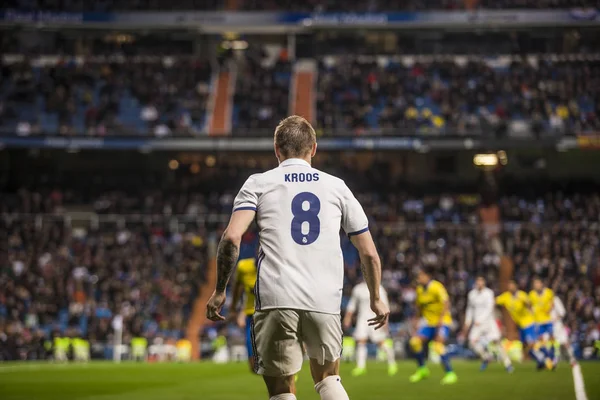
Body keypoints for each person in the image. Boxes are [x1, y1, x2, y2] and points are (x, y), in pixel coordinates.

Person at [206, 115, 389, 400]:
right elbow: (369, 252)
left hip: (276, 298)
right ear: (313, 148)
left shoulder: (258, 183)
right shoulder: (337, 186)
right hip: (324, 299)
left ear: (276, 149)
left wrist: (220, 290)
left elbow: (231, 237)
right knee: (328, 379)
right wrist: (376, 296)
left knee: (281, 389)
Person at [408, 266, 458, 385]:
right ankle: (422, 370)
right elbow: (419, 307)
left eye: (421, 276)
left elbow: (446, 302)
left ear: (427, 276)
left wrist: (441, 320)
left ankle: (450, 373)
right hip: (429, 323)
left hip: (443, 321)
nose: (419, 278)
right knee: (415, 342)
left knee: (437, 346)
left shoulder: (436, 286)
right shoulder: (419, 289)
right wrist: (416, 320)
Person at [343, 279, 397, 377]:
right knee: (360, 341)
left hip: (376, 318)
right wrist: (348, 318)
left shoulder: (379, 289)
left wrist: (385, 322)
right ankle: (361, 367)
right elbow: (352, 305)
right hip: (362, 319)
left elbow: (385, 306)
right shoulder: (358, 289)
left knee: (381, 343)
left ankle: (392, 364)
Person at [461, 276, 513, 373]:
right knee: (471, 343)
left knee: (497, 342)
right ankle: (486, 357)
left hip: (489, 322)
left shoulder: (489, 293)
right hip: (477, 324)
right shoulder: (472, 294)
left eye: (481, 281)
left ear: (484, 283)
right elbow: (470, 309)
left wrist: (480, 320)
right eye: (478, 281)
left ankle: (507, 364)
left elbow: (489, 309)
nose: (479, 283)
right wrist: (467, 322)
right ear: (476, 283)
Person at [496, 280, 546, 370]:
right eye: (509, 286)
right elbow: (496, 301)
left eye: (512, 285)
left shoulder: (521, 295)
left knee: (531, 343)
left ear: (516, 286)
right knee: (524, 345)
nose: (510, 287)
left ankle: (542, 357)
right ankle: (539, 360)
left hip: (528, 323)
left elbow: (529, 303)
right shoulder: (506, 296)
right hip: (520, 324)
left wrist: (526, 304)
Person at [229, 257, 258, 373]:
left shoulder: (278, 266)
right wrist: (233, 309)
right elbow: (237, 287)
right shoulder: (244, 267)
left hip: (272, 314)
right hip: (251, 315)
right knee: (253, 367)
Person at [529, 277, 556, 369]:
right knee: (541, 341)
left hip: (547, 320)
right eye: (535, 284)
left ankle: (552, 356)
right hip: (538, 322)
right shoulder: (532, 294)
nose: (536, 285)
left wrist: (549, 309)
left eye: (538, 283)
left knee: (551, 337)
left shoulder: (549, 292)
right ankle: (548, 358)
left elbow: (552, 304)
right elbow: (530, 306)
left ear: (541, 284)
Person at [551, 295, 577, 366]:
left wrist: (555, 319)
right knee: (553, 344)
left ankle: (572, 359)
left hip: (557, 325)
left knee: (565, 342)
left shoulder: (554, 299)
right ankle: (554, 360)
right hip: (547, 325)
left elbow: (562, 312)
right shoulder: (540, 299)